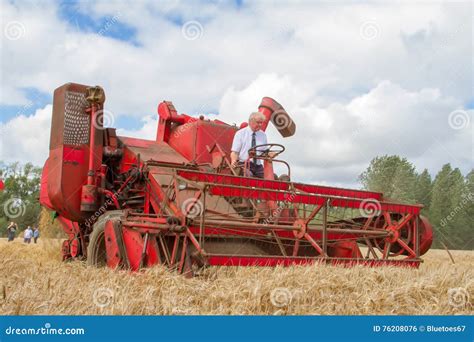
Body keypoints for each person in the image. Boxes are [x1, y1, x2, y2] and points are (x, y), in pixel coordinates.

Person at [230, 112, 268, 178]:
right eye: (258, 122)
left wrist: (270, 154)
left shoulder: (263, 135)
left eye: (261, 123)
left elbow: (265, 152)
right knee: (248, 175)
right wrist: (233, 161)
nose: (260, 125)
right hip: (243, 164)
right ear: (250, 121)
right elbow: (235, 152)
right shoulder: (240, 133)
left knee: (270, 178)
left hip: (258, 166)